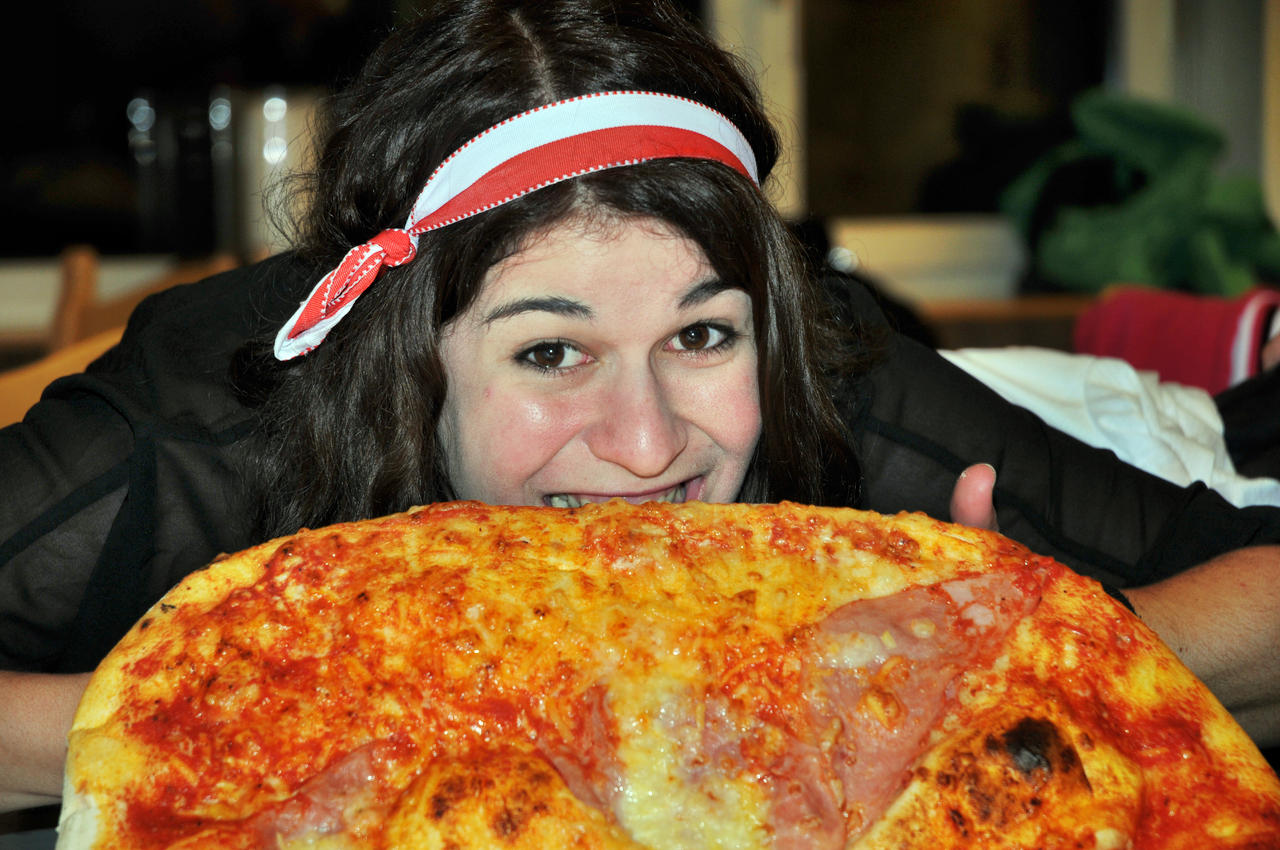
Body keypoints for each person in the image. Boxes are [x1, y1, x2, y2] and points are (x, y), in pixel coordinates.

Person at [2, 0, 1278, 816]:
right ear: (408, 355)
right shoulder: (183, 435)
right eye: (551, 352)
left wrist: (1015, 662)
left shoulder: (826, 374)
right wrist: (231, 715)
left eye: (700, 334)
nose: (649, 443)